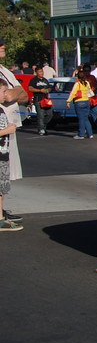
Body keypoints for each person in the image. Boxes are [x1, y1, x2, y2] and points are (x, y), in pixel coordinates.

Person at [0, 39, 25, 224]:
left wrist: (14, 91)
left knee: (6, 173)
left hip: (10, 129)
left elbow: (23, 93)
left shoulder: (4, 70)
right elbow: (8, 95)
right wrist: (14, 91)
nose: (3, 46)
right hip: (3, 129)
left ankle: (1, 210)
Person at [0, 80, 22, 231]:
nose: (6, 94)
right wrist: (6, 131)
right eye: (3, 91)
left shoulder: (1, 109)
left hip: (3, 154)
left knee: (2, 189)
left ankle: (0, 216)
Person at [66, 71, 95, 140]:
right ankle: (90, 134)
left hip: (79, 102)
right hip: (86, 101)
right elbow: (90, 92)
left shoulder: (77, 84)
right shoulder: (87, 83)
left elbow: (73, 93)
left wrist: (68, 101)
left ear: (78, 77)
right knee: (86, 118)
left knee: (81, 119)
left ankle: (81, 134)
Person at [27, 66, 52, 136]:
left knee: (49, 114)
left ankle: (43, 126)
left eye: (42, 71)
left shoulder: (45, 80)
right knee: (40, 115)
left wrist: (48, 90)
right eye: (40, 71)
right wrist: (40, 90)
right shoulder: (34, 80)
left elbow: (50, 88)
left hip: (46, 100)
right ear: (36, 72)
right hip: (38, 99)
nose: (41, 73)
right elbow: (30, 88)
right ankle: (41, 130)